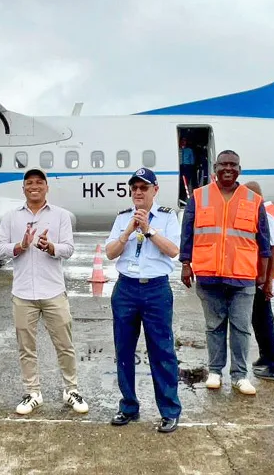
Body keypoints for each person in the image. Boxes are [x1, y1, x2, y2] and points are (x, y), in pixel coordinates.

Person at [0, 168, 89, 416]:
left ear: (47, 187)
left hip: (53, 291)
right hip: (23, 293)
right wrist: (20, 246)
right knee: (26, 346)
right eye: (29, 183)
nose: (34, 186)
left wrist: (51, 247)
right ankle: (33, 392)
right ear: (23, 188)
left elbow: (69, 249)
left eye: (39, 182)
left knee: (65, 344)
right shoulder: (11, 217)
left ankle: (71, 390)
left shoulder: (60, 216)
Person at [180, 151, 271, 395]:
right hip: (209, 273)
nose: (228, 168)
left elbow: (264, 240)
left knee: (241, 328)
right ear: (215, 168)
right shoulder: (199, 197)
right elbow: (187, 232)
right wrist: (186, 263)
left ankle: (240, 375)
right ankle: (215, 371)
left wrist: (264, 275)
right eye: (223, 164)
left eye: (233, 165)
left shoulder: (254, 200)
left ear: (239, 170)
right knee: (214, 326)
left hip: (243, 275)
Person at [104, 167, 181, 433]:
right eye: (134, 188)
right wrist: (128, 231)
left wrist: (148, 230)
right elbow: (110, 253)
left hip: (156, 289)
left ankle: (169, 411)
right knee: (124, 350)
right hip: (126, 288)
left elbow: (173, 250)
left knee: (162, 350)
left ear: (154, 190)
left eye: (143, 188)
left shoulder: (168, 217)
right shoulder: (122, 217)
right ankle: (128, 406)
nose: (138, 192)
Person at [244, 182, 274, 382]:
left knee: (264, 321)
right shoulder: (267, 209)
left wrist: (267, 281)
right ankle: (266, 357)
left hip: (265, 277)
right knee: (258, 319)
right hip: (262, 276)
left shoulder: (266, 213)